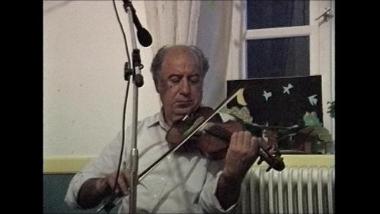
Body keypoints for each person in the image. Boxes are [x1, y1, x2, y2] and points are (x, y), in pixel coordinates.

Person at [65, 45, 265, 213]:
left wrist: (231, 176)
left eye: (194, 80)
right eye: (175, 80)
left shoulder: (220, 139)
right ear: (158, 85)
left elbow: (212, 207)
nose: (185, 90)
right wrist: (103, 184)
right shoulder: (136, 134)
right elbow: (75, 195)